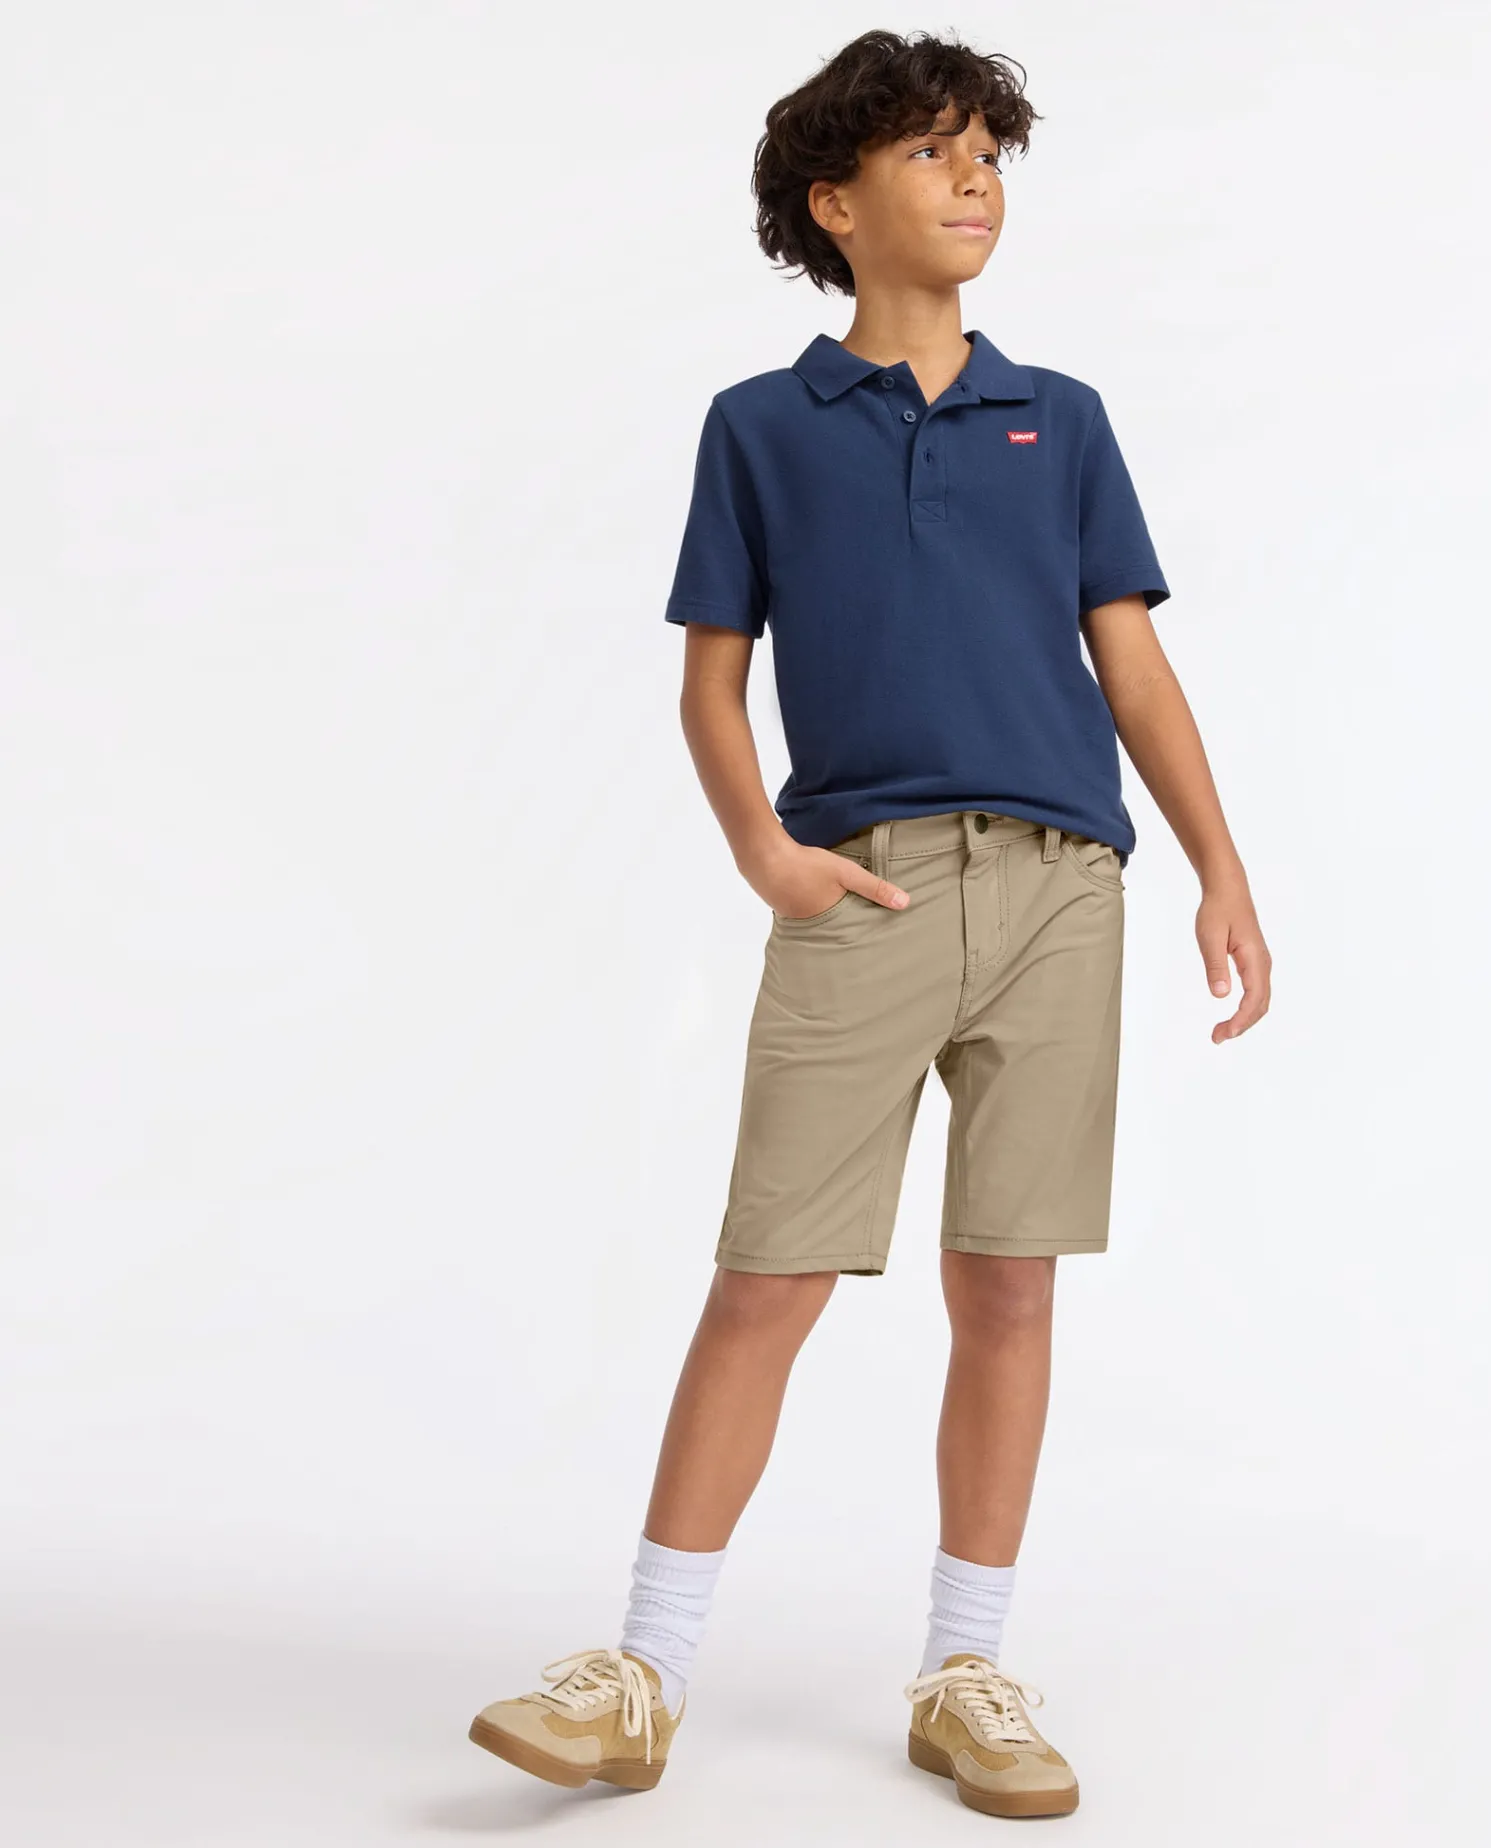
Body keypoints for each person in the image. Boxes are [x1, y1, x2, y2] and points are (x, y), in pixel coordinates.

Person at [467, 27, 1270, 1820]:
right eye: (931, 151)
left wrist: (1220, 867)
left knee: (1010, 1282)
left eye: (989, 150)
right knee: (768, 1276)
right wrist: (765, 852)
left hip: (1061, 891)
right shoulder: (760, 429)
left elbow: (1132, 665)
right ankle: (644, 1673)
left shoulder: (1063, 418)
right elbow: (712, 681)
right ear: (834, 205)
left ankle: (966, 1672)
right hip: (864, 883)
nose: (974, 177)